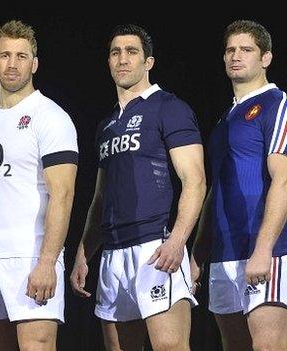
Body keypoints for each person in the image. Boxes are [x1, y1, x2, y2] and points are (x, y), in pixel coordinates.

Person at [70, 24, 205, 351]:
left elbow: (195, 180)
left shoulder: (169, 107)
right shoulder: (106, 125)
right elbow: (100, 198)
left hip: (155, 249)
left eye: (131, 52)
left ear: (149, 62)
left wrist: (177, 241)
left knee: (170, 347)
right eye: (115, 52)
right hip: (113, 253)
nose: (122, 59)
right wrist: (84, 252)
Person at [0, 20, 78, 350]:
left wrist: (46, 262)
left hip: (32, 257)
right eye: (5, 55)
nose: (12, 64)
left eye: (21, 56)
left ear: (35, 63)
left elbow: (64, 195)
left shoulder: (50, 117)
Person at [190, 20, 287, 351]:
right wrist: (198, 253)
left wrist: (263, 250)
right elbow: (216, 190)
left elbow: (284, 180)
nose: (236, 56)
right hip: (223, 254)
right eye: (231, 50)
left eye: (246, 49)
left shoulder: (276, 104)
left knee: (268, 346)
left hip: (267, 250)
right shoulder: (224, 120)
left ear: (266, 58)